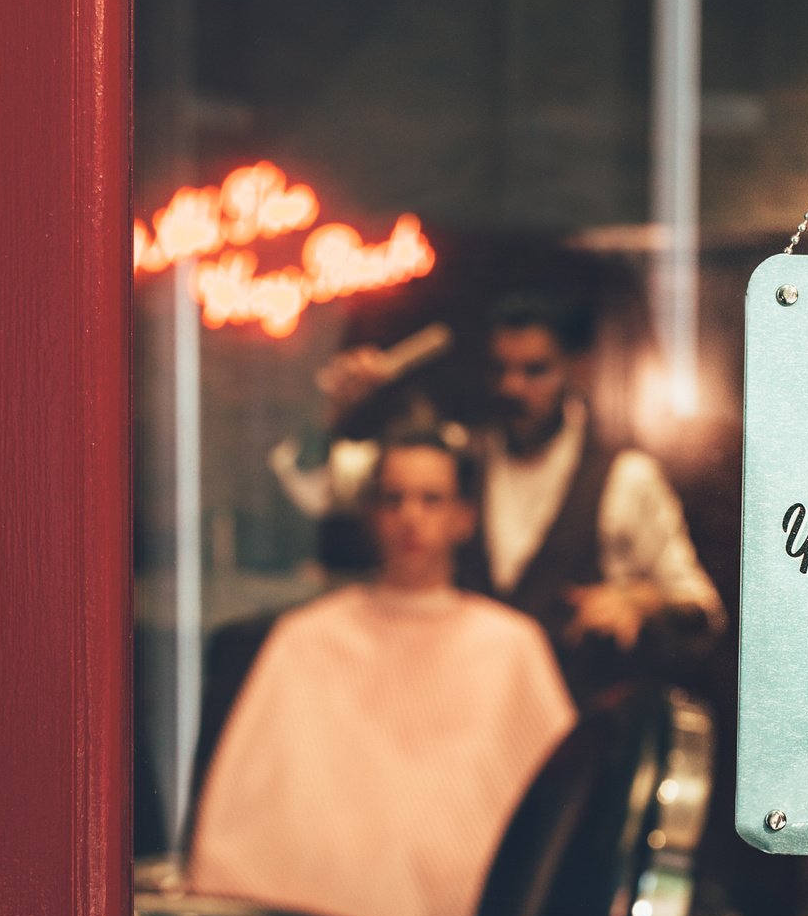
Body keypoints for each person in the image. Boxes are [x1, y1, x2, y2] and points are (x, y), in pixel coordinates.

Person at [190, 424, 575, 916]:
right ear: (371, 514)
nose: (409, 519)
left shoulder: (509, 648)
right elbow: (241, 819)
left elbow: (559, 820)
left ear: (463, 518)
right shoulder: (307, 640)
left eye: (430, 500)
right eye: (393, 499)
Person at [293, 292, 724, 698]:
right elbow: (318, 487)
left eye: (534, 371)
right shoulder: (462, 458)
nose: (513, 387)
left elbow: (701, 609)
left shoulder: (625, 480)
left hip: (578, 734)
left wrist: (643, 601)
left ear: (577, 371)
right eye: (501, 370)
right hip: (466, 717)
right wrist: (332, 412)